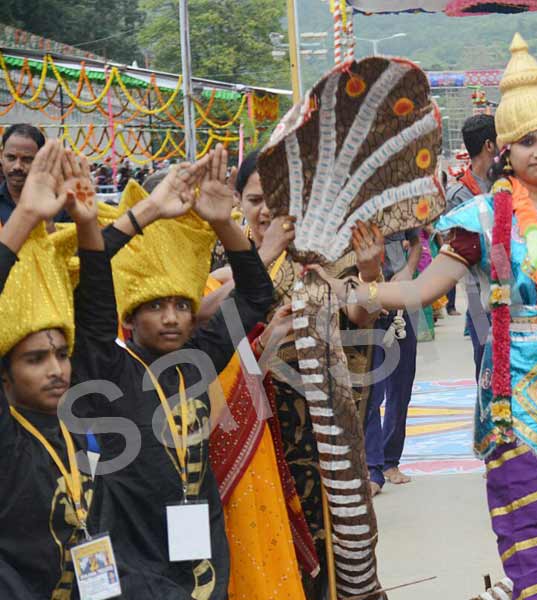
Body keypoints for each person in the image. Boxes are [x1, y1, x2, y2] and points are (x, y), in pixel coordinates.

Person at [322, 33, 537, 599]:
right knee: (529, 537)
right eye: (526, 141)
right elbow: (420, 290)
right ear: (503, 149)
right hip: (515, 400)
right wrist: (368, 284)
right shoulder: (480, 218)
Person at [69, 145, 274, 600]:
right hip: (129, 552)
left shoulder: (197, 360)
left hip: (197, 548)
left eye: (182, 305)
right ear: (129, 317)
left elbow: (258, 295)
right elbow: (94, 281)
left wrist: (224, 222)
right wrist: (145, 214)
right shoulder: (107, 365)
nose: (171, 318)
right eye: (155, 306)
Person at [201, 149, 383, 599]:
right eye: (257, 198)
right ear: (238, 201)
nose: (266, 211)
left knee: (330, 551)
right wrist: (262, 256)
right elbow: (197, 318)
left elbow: (361, 314)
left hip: (318, 437)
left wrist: (371, 269)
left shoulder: (322, 260)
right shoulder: (218, 261)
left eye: (279, 200)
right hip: (248, 438)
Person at [0, 140, 95, 600]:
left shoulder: (76, 424)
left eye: (61, 353)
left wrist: (90, 221)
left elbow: (96, 306)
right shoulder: (7, 437)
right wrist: (24, 218)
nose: (57, 369)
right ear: (4, 376)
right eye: (35, 359)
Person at [363, 228, 423, 491]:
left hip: (401, 299)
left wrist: (409, 268)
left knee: (401, 384)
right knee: (371, 387)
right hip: (366, 303)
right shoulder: (356, 213)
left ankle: (390, 460)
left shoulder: (400, 210)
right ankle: (372, 468)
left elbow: (417, 243)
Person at [446, 115, 498, 326]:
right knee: (484, 354)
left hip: (514, 290)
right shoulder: (459, 195)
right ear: (489, 145)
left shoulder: (510, 185)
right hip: (478, 290)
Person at [0, 124, 70, 226]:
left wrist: (47, 220)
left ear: (42, 159)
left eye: (27, 159)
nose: (17, 166)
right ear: (1, 156)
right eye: (11, 158)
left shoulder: (63, 204)